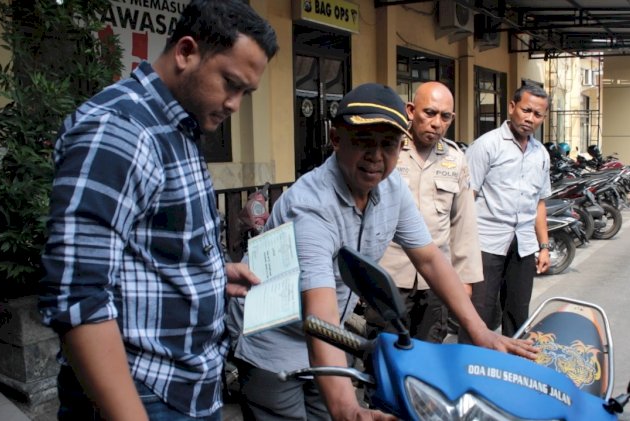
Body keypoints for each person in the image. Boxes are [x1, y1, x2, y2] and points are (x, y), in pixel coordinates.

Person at [230, 83, 538, 420]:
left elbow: (430, 259)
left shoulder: (390, 187)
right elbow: (320, 312)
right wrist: (349, 409)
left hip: (329, 341)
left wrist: (481, 333)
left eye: (388, 145)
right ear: (336, 139)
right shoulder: (311, 207)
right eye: (363, 142)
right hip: (274, 342)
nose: (376, 156)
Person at [38, 2, 278, 420]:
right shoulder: (120, 130)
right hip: (143, 392)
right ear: (186, 52)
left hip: (186, 387)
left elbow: (145, 248)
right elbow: (78, 298)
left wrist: (211, 273)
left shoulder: (178, 123)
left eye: (246, 93)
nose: (235, 104)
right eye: (230, 84)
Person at [375, 81, 482, 343]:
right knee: (383, 356)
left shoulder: (455, 159)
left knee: (429, 354)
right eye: (429, 113)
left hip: (436, 283)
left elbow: (463, 223)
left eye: (445, 117)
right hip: (390, 278)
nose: (437, 123)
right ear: (411, 110)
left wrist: (465, 279)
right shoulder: (389, 151)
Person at [463, 84, 552, 340]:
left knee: (518, 313)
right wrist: (464, 251)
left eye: (537, 114)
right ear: (512, 107)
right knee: (479, 313)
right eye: (526, 110)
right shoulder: (486, 146)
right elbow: (466, 200)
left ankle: (511, 368)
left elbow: (539, 203)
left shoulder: (541, 154)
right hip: (486, 244)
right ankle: (472, 366)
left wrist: (544, 246)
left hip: (523, 246)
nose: (530, 118)